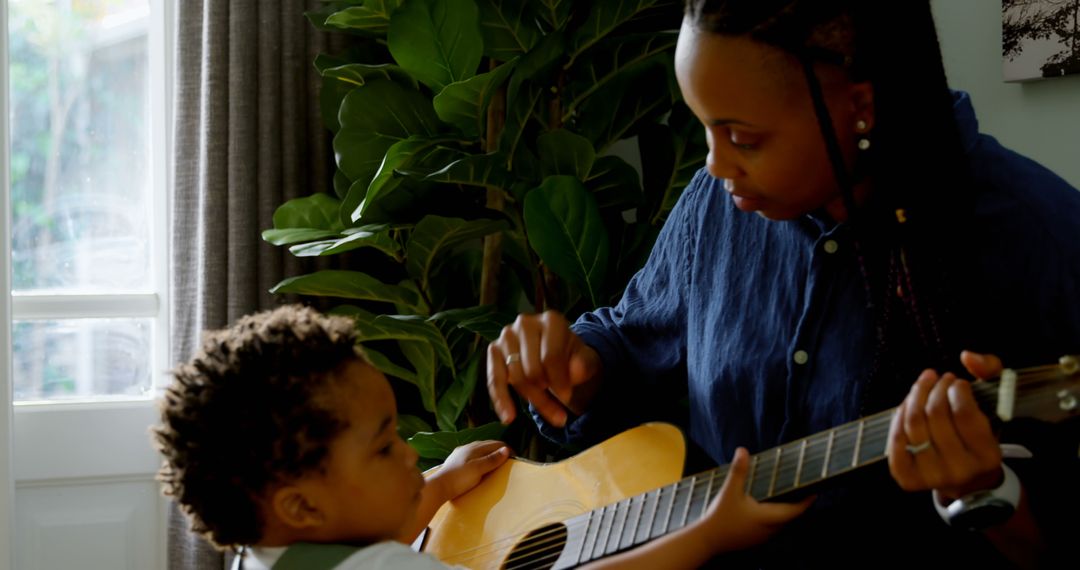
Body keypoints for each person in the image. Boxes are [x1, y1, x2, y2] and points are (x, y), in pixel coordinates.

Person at [487, 1, 1080, 568]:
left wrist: (987, 492)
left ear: (861, 106)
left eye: (743, 138)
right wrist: (581, 367)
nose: (715, 166)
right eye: (704, 130)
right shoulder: (715, 202)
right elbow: (633, 341)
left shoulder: (1038, 235)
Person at [153, 304, 811, 570]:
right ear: (301, 504)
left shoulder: (268, 551)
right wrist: (707, 536)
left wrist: (437, 487)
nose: (411, 451)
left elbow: (354, 525)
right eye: (384, 447)